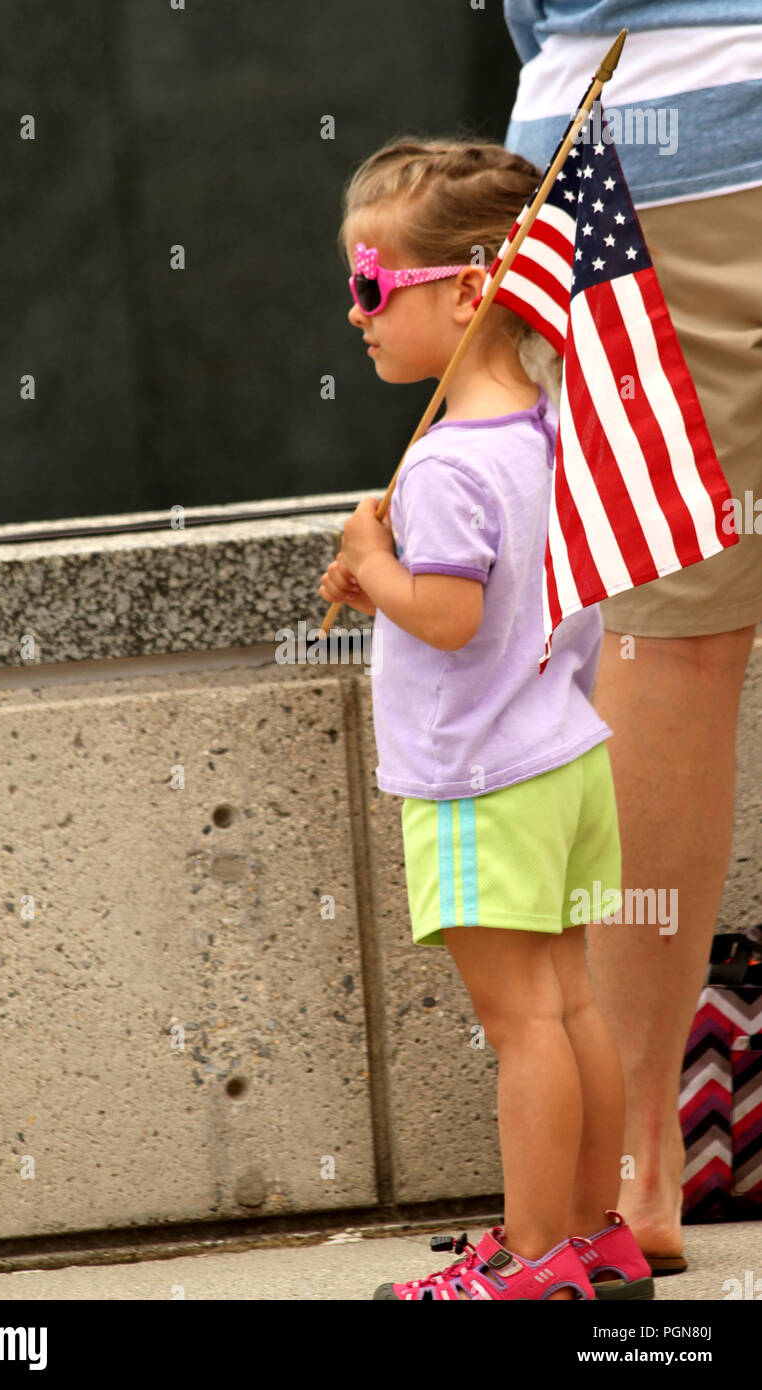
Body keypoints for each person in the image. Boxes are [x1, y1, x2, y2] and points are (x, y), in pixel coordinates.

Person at [318, 138, 653, 1301]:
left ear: (466, 289)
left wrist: (373, 555)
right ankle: (594, 1231)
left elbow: (452, 620)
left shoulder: (443, 469)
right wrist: (389, 584)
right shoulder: (550, 433)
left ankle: (528, 1260)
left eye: (370, 284)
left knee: (520, 1029)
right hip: (562, 759)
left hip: (479, 782)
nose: (353, 313)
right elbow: (492, 601)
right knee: (570, 1005)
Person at [501, 0, 762, 1274]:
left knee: (674, 631)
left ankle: (632, 1161)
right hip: (674, 121)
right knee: (670, 627)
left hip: (665, 114)